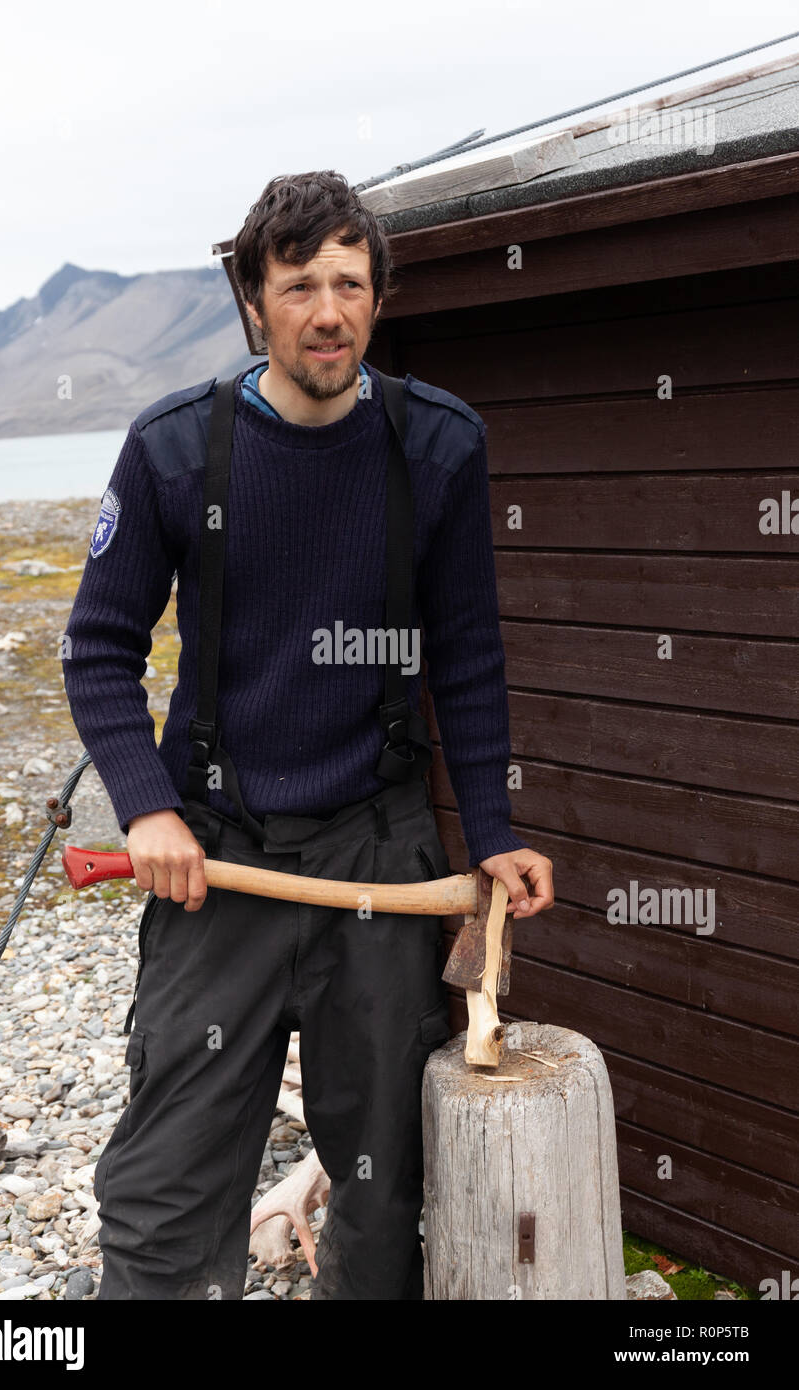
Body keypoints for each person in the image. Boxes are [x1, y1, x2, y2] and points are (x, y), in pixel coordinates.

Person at [62, 169, 554, 1301]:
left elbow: (468, 659)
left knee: (381, 1187)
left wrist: (491, 832)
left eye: (349, 282)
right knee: (166, 1182)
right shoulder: (174, 451)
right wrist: (147, 808)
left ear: (376, 297)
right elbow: (98, 647)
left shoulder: (436, 446)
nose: (326, 310)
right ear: (252, 299)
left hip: (377, 859)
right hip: (216, 858)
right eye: (297, 285)